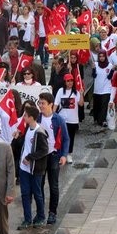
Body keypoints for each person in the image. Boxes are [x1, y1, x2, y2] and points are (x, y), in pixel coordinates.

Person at [36, 93, 70, 225]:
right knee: (39, 184)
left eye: (43, 103)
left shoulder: (58, 119)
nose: (41, 106)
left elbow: (66, 138)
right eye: (39, 103)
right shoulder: (37, 118)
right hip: (41, 156)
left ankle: (52, 212)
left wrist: (64, 155)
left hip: (54, 155)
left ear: (50, 104)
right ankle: (40, 213)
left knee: (53, 185)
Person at [17, 105, 50, 229]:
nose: (23, 117)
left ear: (31, 117)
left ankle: (41, 216)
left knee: (37, 193)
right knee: (25, 194)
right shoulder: (27, 129)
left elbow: (44, 150)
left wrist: (30, 157)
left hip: (36, 169)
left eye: (25, 115)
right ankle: (27, 219)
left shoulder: (40, 132)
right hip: (24, 168)